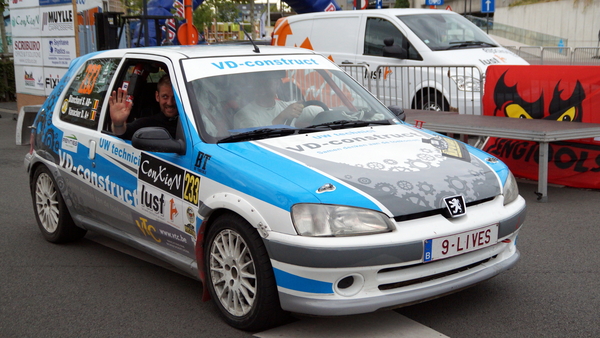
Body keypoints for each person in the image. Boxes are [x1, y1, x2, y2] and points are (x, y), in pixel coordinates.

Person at [233, 72, 322, 129]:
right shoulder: (243, 115)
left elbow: (324, 112)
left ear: (278, 84)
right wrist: (282, 116)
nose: (262, 86)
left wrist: (334, 114)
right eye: (259, 83)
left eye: (267, 82)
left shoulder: (287, 107)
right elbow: (257, 140)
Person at [109, 74, 178, 140]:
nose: (170, 103)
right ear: (157, 96)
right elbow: (122, 133)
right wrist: (118, 123)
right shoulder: (147, 123)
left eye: (175, 97)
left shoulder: (188, 123)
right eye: (165, 97)